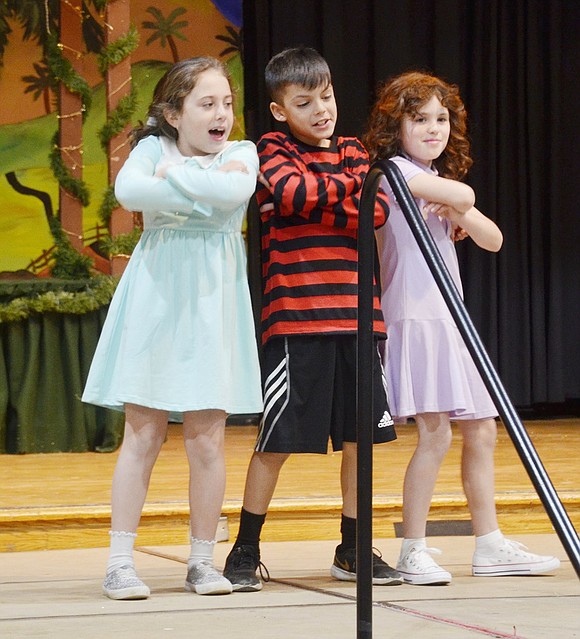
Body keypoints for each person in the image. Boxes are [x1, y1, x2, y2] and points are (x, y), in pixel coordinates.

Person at [363, 70, 560, 585]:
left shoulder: (436, 185)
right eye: (420, 118)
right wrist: (457, 199)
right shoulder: (391, 173)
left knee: (482, 430)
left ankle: (490, 543)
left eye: (442, 118)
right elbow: (465, 192)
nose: (434, 128)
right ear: (395, 125)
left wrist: (456, 207)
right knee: (434, 435)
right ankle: (413, 548)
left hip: (451, 320)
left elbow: (491, 238)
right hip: (416, 317)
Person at [82, 57, 263, 599]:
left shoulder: (242, 153)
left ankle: (202, 561)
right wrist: (198, 183)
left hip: (214, 304)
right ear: (172, 112)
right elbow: (132, 194)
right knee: (143, 432)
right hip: (157, 298)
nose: (221, 115)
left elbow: (235, 196)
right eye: (206, 104)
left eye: (226, 103)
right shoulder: (149, 150)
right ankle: (119, 562)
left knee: (207, 438)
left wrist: (177, 180)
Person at [222, 47, 401, 592]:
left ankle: (352, 547)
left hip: (359, 320)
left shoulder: (351, 147)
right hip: (297, 320)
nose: (322, 109)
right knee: (276, 440)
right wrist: (347, 190)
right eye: (305, 102)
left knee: (359, 441)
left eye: (326, 96)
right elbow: (294, 192)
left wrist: (332, 195)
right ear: (280, 111)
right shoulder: (268, 149)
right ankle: (245, 548)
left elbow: (377, 211)